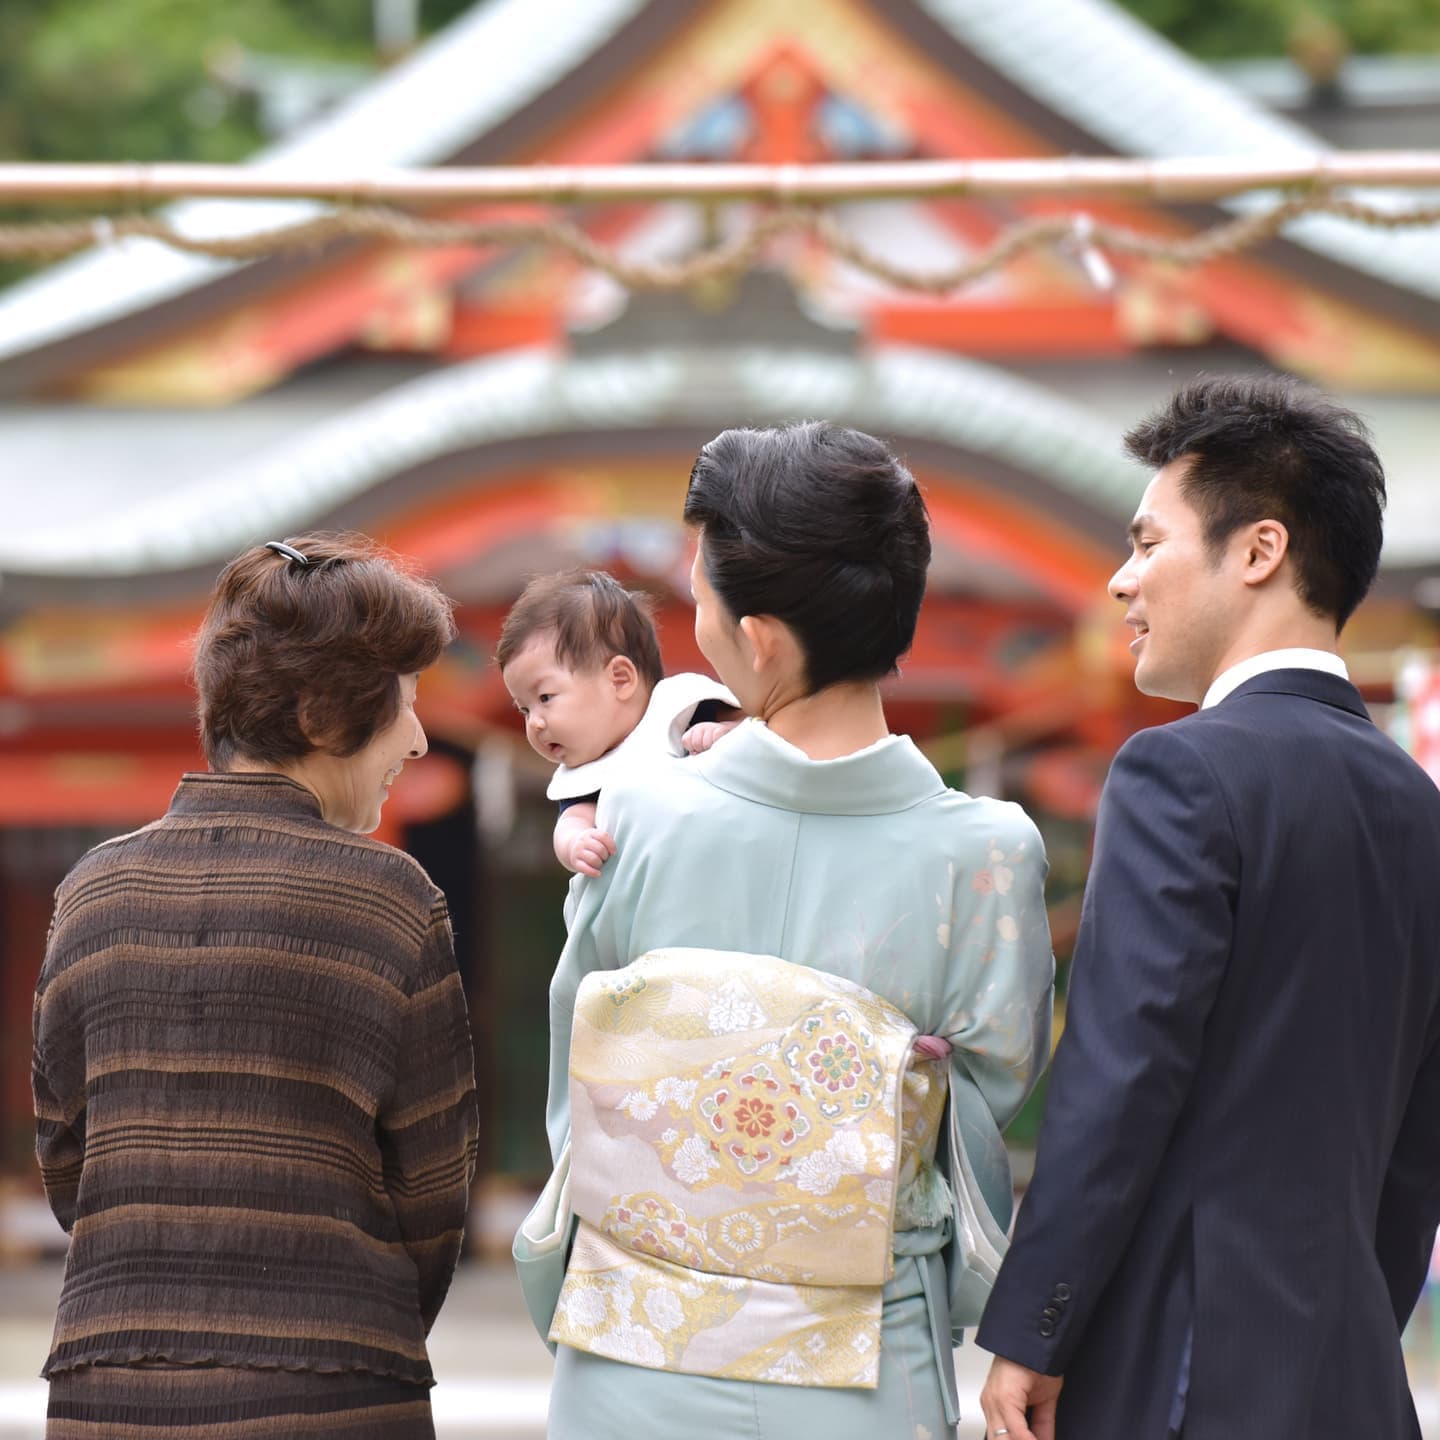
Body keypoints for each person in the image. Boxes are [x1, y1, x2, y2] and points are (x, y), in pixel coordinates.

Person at [530, 421, 1055, 1439]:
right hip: (867, 1357)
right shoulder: (987, 854)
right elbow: (985, 1104)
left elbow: (576, 1092)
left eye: (701, 599)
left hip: (635, 1341)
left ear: (758, 636)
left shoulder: (637, 819)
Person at [976, 374, 1440, 1440]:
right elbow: (1419, 1141)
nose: (1120, 579)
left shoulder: (1179, 774)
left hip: (1179, 1368)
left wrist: (1036, 1331)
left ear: (1259, 551)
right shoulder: (1419, 805)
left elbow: (1120, 1076)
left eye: (1147, 542)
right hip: (1350, 1374)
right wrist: (1344, 1318)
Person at [33, 533, 479, 1440]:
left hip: (104, 1390)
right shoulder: (392, 899)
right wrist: (356, 1318)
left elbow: (68, 1162)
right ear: (320, 714)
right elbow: (435, 1192)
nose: (420, 737)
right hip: (335, 1392)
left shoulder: (91, 892)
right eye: (401, 705)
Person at [496, 569, 737, 877]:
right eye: (524, 710)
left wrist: (725, 733)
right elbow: (571, 823)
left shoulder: (682, 707)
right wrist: (576, 844)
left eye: (544, 698)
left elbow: (763, 734)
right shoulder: (584, 776)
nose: (535, 724)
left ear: (620, 679)